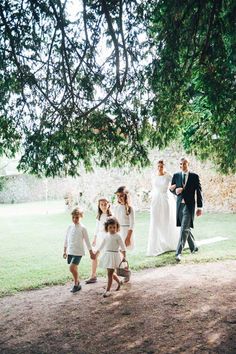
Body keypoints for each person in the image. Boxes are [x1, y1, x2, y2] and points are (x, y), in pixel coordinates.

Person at [170, 157, 203, 262]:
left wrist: (200, 207)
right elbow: (172, 189)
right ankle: (194, 247)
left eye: (184, 164)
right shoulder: (176, 176)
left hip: (189, 207)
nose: (182, 166)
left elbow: (199, 192)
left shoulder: (194, 176)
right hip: (179, 206)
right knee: (186, 228)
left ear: (188, 164)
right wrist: (175, 191)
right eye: (180, 164)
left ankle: (178, 253)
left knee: (184, 229)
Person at [147, 159, 180, 256]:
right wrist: (149, 195)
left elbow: (176, 185)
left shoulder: (168, 175)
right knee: (155, 221)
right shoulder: (154, 175)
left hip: (165, 199)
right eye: (158, 166)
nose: (160, 168)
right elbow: (153, 189)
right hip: (156, 200)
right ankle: (156, 246)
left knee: (166, 220)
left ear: (164, 166)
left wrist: (173, 189)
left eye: (161, 166)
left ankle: (168, 243)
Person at [63, 207, 95, 293]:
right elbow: (66, 239)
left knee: (72, 268)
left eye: (77, 217)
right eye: (73, 217)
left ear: (81, 217)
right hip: (71, 251)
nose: (74, 219)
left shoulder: (83, 228)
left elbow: (87, 241)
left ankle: (76, 284)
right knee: (75, 268)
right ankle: (77, 283)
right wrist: (64, 250)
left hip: (78, 252)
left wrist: (91, 252)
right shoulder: (69, 227)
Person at [96, 217, 126, 298]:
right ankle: (119, 281)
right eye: (110, 227)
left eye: (114, 227)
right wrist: (97, 252)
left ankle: (108, 291)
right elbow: (102, 245)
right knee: (111, 273)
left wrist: (124, 256)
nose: (112, 229)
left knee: (109, 273)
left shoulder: (117, 236)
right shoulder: (106, 236)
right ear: (107, 228)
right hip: (108, 255)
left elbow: (123, 247)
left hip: (114, 256)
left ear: (117, 227)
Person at [85, 197, 112, 284]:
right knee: (94, 255)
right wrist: (94, 238)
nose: (103, 206)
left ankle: (112, 276)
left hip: (107, 237)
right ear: (99, 206)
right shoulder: (99, 216)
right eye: (101, 204)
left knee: (108, 257)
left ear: (108, 204)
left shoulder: (110, 216)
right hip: (99, 237)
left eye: (105, 204)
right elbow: (96, 228)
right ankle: (93, 276)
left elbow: (113, 229)